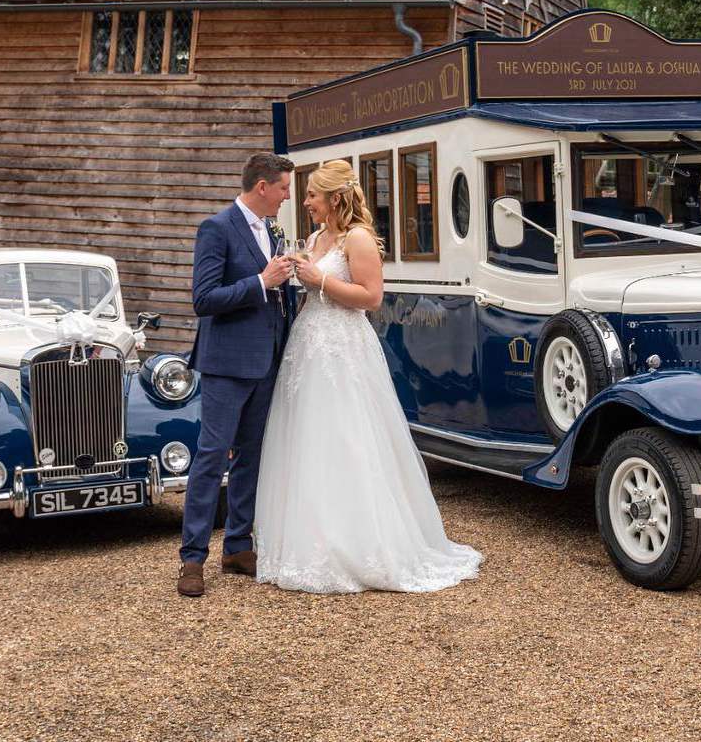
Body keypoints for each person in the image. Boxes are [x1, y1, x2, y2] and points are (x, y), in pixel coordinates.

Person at [254, 160, 483, 593]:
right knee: (307, 439)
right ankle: (310, 538)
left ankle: (364, 542)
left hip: (344, 346)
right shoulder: (318, 237)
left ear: (335, 199)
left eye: (312, 196)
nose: (305, 202)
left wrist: (319, 279)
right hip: (309, 344)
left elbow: (371, 298)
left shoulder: (358, 238)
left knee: (350, 437)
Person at [177, 152, 295, 597]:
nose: (287, 197)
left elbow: (277, 298)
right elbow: (204, 299)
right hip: (226, 363)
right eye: (284, 188)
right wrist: (263, 282)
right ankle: (192, 559)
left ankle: (238, 546)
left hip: (267, 360)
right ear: (261, 186)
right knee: (211, 458)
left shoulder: (274, 230)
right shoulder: (216, 228)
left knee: (252, 457)